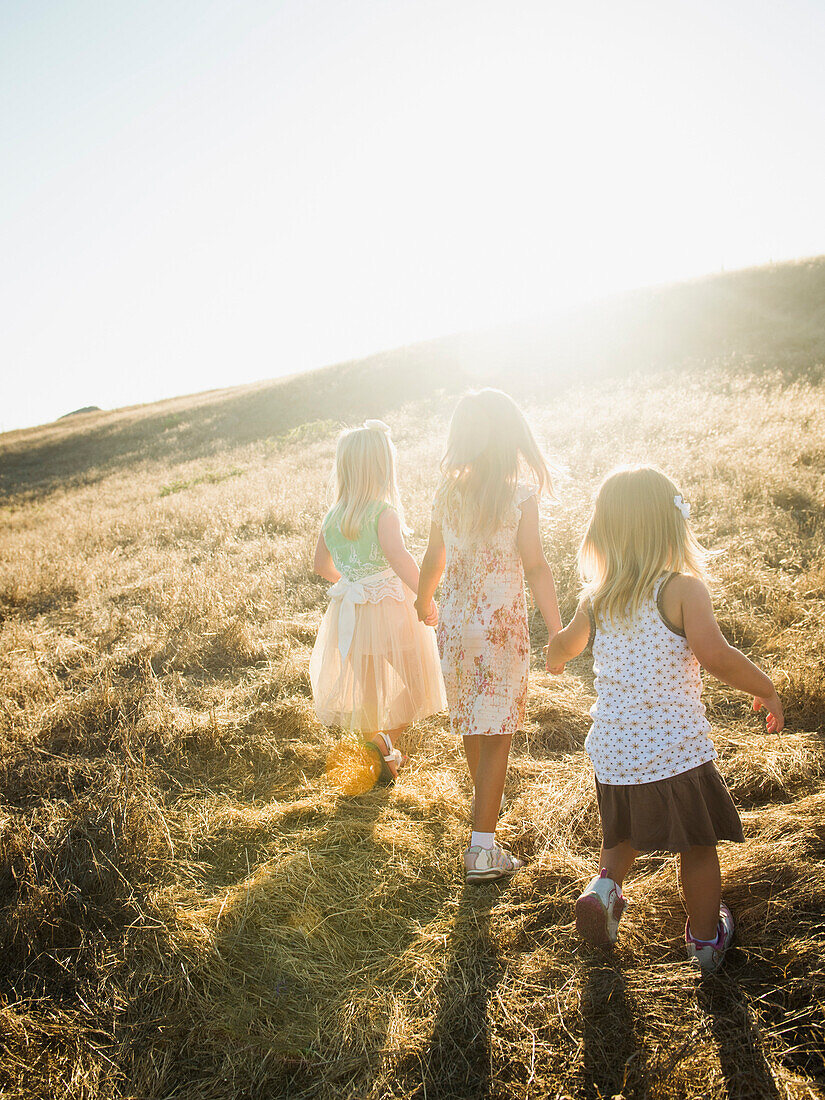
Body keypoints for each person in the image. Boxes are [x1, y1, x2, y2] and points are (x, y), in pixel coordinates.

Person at [545, 465, 784, 974]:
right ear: (671, 526)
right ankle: (704, 938)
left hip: (613, 750)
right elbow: (716, 657)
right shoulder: (682, 590)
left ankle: (604, 889)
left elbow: (565, 643)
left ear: (605, 531)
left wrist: (555, 654)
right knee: (697, 845)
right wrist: (764, 685)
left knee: (621, 838)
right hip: (674, 751)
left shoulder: (598, 597)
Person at [416, 390, 562, 882]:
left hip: (456, 631)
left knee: (475, 728)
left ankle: (483, 831)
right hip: (500, 632)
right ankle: (480, 849)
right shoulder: (517, 493)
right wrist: (557, 630)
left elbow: (433, 558)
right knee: (499, 735)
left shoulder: (446, 493)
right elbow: (537, 566)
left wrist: (423, 600)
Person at [310, 419, 446, 782]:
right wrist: (426, 596)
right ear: (382, 467)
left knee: (366, 694)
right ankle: (387, 742)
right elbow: (400, 560)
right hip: (389, 607)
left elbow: (320, 565)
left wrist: (354, 582)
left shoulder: (332, 517)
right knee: (421, 682)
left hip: (349, 609)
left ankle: (380, 751)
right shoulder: (383, 512)